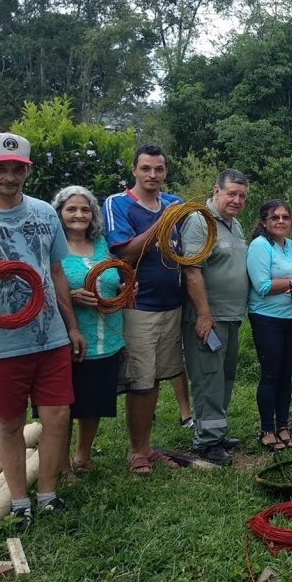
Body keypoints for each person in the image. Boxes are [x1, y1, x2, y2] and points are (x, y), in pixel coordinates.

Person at [0, 133, 85, 530]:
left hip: (49, 336)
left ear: (27, 170)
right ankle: (18, 500)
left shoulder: (46, 213)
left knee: (58, 415)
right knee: (10, 422)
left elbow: (57, 271)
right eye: (1, 168)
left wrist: (72, 326)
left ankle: (46, 493)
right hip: (1, 340)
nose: (9, 176)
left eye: (17, 169)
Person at [103, 145, 192, 476]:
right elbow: (124, 252)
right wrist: (161, 224)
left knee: (155, 377)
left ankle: (146, 445)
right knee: (140, 380)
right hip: (139, 306)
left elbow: (189, 242)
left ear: (166, 171)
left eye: (159, 169)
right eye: (146, 168)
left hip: (172, 303)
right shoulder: (118, 204)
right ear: (134, 170)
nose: (152, 175)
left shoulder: (175, 203)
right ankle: (137, 450)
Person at [52, 186, 126, 473]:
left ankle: (82, 457)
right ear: (59, 213)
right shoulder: (52, 248)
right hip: (69, 337)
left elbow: (112, 277)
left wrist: (122, 287)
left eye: (85, 209)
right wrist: (70, 297)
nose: (78, 215)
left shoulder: (101, 244)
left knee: (93, 402)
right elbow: (45, 288)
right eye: (71, 209)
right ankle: (61, 466)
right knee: (64, 406)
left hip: (106, 336)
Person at [180, 168, 249, 465]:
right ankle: (207, 442)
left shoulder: (235, 225)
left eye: (242, 196)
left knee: (224, 377)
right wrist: (204, 315)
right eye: (231, 193)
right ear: (216, 191)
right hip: (209, 317)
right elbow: (192, 271)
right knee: (208, 377)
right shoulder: (201, 221)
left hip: (231, 316)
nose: (236, 200)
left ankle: (217, 431)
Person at [246, 199, 292, 451]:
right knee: (271, 373)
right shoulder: (260, 246)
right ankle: (267, 429)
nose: (281, 221)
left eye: (285, 217)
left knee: (286, 374)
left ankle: (283, 425)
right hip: (267, 318)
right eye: (275, 217)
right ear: (264, 222)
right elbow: (262, 286)